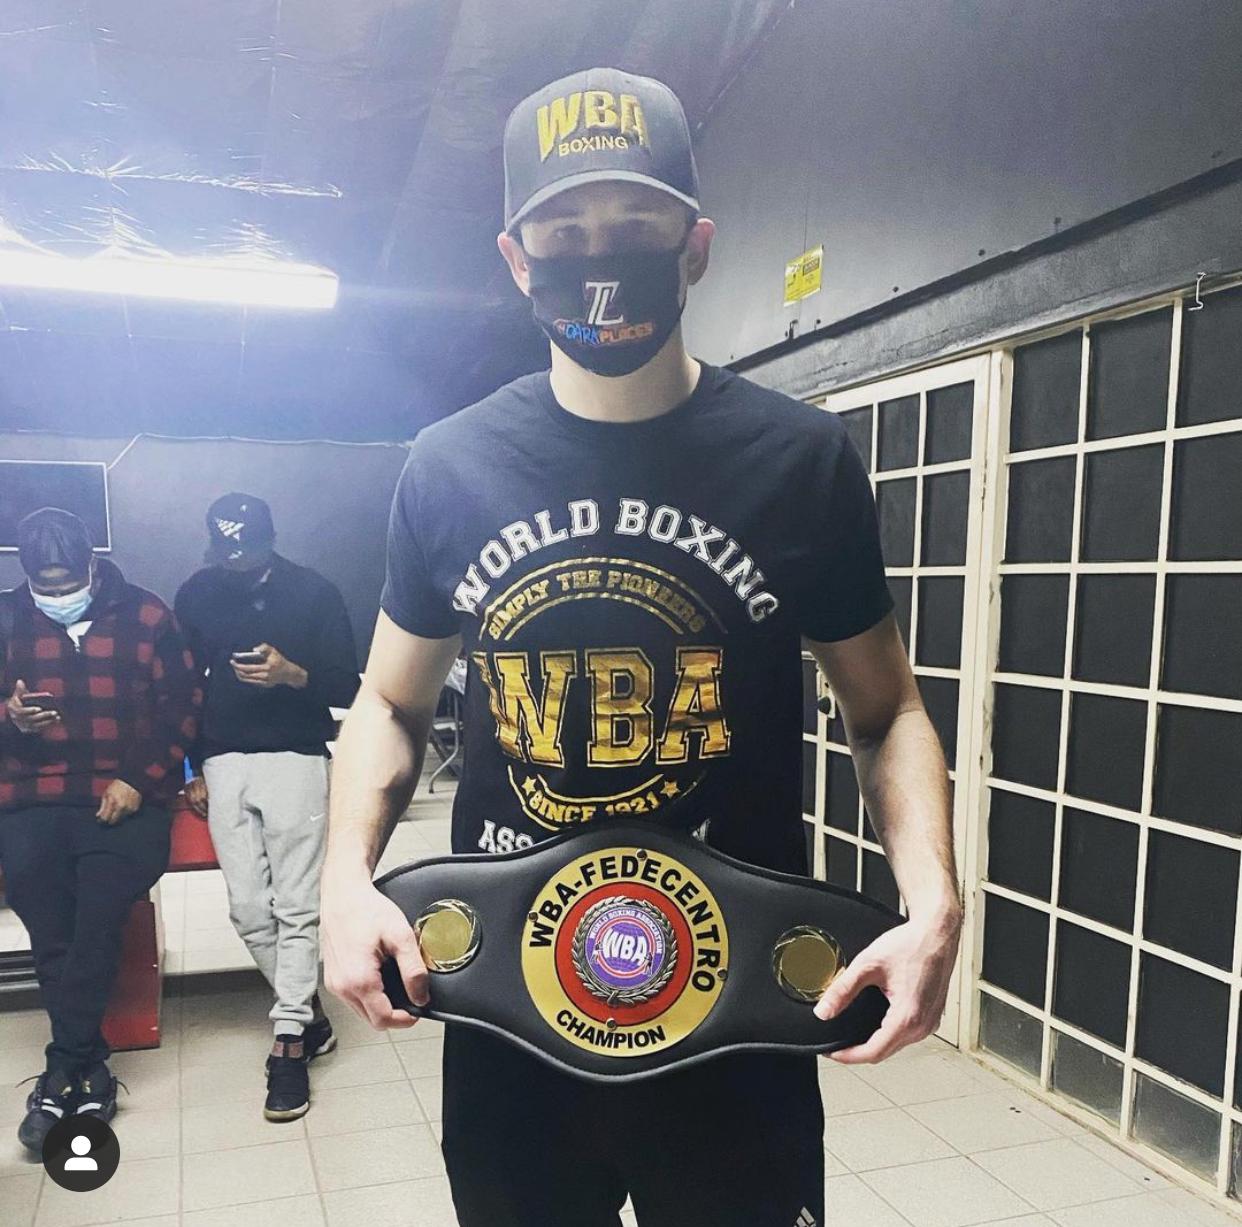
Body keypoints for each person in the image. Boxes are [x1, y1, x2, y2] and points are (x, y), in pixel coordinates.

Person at [321, 67, 962, 1226]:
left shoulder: (801, 460)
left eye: (634, 225)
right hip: (512, 997)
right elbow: (390, 703)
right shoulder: (449, 466)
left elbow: (888, 712)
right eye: (565, 232)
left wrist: (933, 903)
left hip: (737, 993)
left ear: (696, 247)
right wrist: (342, 885)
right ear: (517, 260)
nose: (598, 257)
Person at [0, 508, 201, 1154]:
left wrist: (139, 778)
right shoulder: (5, 618)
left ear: (92, 564)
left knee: (97, 922)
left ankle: (64, 1068)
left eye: (67, 584)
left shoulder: (147, 615)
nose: (57, 595)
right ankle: (87, 1072)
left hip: (126, 798)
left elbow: (183, 705)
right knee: (49, 930)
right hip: (30, 799)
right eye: (45, 587)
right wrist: (10, 719)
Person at [174, 493, 360, 1122]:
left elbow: (347, 684)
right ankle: (310, 1016)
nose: (236, 561)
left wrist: (292, 675)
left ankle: (288, 1042)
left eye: (246, 550)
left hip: (296, 754)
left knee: (297, 904)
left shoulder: (314, 592)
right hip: (222, 760)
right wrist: (190, 766)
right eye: (225, 551)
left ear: (269, 539)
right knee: (249, 908)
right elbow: (180, 687)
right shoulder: (197, 592)